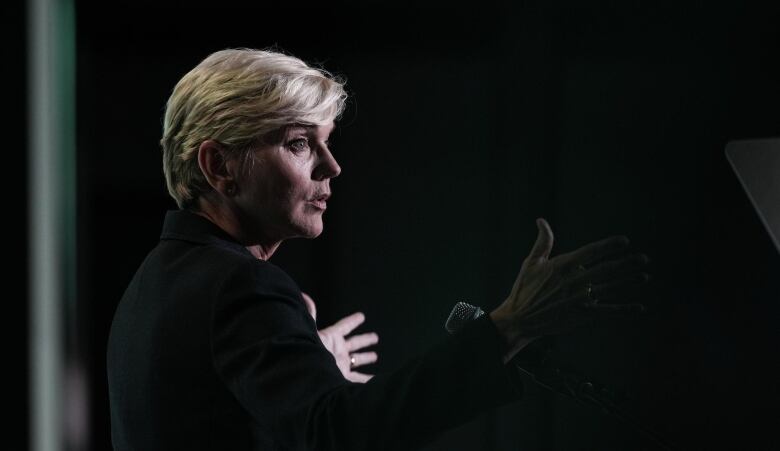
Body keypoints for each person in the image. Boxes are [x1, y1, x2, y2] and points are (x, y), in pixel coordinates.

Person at [106, 48, 648, 450]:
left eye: (327, 141)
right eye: (299, 143)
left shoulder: (155, 281)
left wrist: (304, 373)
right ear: (219, 166)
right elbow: (339, 433)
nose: (331, 166)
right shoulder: (239, 283)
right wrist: (511, 325)